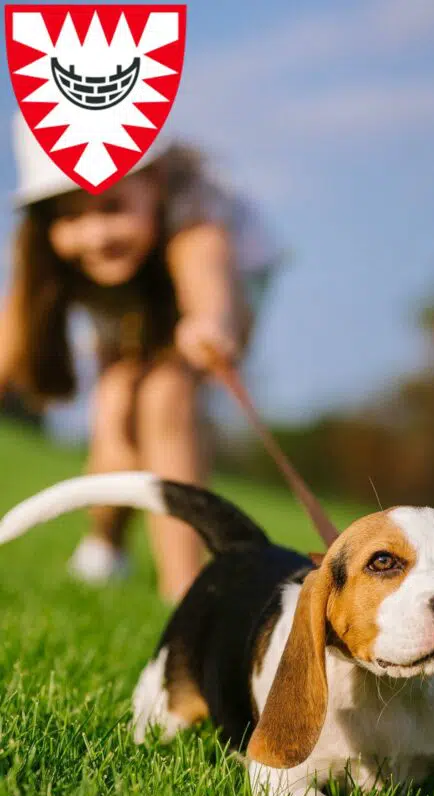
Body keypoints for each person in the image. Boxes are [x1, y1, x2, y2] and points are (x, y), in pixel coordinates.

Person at [0, 114, 282, 602]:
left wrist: (208, 322)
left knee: (163, 395)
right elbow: (9, 347)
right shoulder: (44, 257)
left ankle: (186, 591)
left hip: (216, 306)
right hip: (128, 310)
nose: (95, 235)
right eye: (70, 216)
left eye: (112, 206)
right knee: (114, 413)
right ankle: (106, 546)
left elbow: (208, 282)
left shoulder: (195, 209)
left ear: (153, 181)